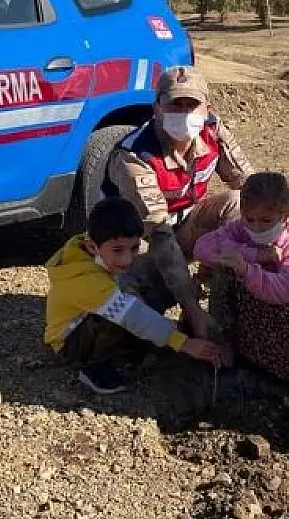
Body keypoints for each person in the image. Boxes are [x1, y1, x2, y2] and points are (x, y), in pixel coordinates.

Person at [101, 65, 256, 342]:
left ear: (206, 107)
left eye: (191, 105)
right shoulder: (135, 155)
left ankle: (228, 303)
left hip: (186, 226)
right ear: (157, 107)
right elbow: (158, 231)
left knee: (239, 205)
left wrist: (283, 243)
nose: (184, 113)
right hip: (136, 245)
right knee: (127, 315)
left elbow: (250, 186)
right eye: (174, 105)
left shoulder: (213, 131)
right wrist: (192, 309)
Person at [44, 197, 222, 394]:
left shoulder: (92, 247)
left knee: (146, 292)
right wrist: (183, 343)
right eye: (118, 250)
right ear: (93, 246)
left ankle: (143, 344)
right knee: (122, 313)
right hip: (71, 343)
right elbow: (132, 315)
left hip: (85, 321)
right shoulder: (87, 281)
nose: (127, 259)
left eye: (134, 248)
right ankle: (95, 367)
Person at [194, 172, 289, 388]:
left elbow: (287, 289)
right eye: (250, 219)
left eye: (266, 221)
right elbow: (202, 247)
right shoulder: (239, 230)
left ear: (285, 215)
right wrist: (255, 255)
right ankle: (230, 344)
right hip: (241, 316)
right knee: (222, 270)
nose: (256, 228)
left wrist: (248, 271)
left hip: (277, 320)